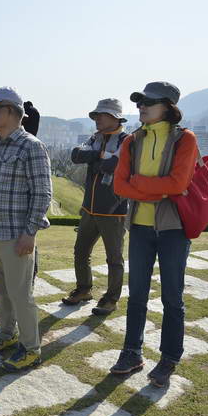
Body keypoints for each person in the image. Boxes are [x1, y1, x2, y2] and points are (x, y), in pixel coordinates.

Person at [109, 82, 198, 387]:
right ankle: (131, 352)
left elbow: (177, 184)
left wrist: (140, 183)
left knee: (172, 296)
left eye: (148, 102)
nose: (141, 106)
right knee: (136, 294)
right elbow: (119, 186)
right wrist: (156, 188)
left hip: (174, 228)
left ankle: (169, 357)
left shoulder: (185, 140)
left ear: (169, 107)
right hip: (140, 227)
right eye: (139, 102)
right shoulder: (132, 141)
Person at [0, 87, 52, 372]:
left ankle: (31, 348)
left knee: (20, 295)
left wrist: (29, 233)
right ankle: (5, 335)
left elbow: (42, 194)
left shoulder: (31, 146)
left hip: (16, 235)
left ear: (9, 111)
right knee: (0, 292)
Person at [62, 99, 128, 315]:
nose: (97, 119)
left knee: (114, 258)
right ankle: (83, 289)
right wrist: (100, 156)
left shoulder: (126, 141)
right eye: (97, 115)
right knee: (80, 251)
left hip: (113, 210)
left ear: (115, 118)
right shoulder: (95, 138)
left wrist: (96, 160)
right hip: (89, 208)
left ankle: (111, 299)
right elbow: (75, 155)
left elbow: (114, 166)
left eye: (102, 115)